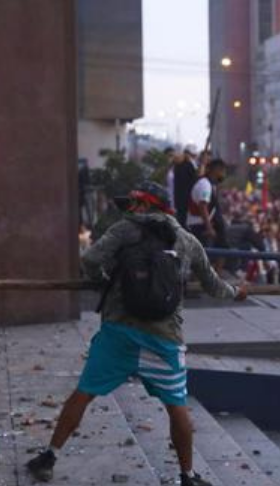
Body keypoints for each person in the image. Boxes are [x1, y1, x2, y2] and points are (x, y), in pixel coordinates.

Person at [26, 181, 248, 486]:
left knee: (85, 392)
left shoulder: (124, 230)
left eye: (132, 204)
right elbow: (212, 284)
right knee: (177, 405)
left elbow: (90, 260)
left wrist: (103, 280)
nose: (129, 209)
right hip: (164, 338)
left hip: (119, 332)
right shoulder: (186, 240)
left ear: (144, 206)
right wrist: (236, 293)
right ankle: (187, 476)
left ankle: (49, 457)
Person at [187, 159, 227, 248]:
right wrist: (209, 228)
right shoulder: (204, 184)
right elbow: (203, 206)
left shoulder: (211, 185)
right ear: (217, 171)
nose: (224, 175)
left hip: (203, 226)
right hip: (199, 227)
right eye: (223, 171)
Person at [173, 146, 199, 227]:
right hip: (185, 200)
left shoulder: (181, 166)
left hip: (181, 199)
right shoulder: (186, 165)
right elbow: (196, 178)